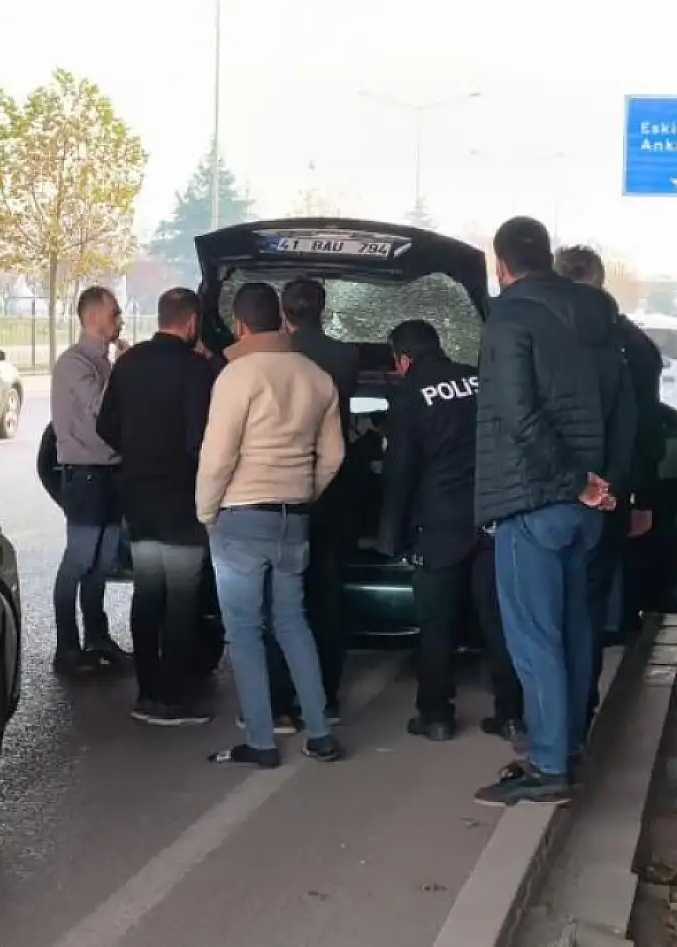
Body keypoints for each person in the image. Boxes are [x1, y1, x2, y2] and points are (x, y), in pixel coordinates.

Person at [472, 217, 635, 807]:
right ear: (547, 255)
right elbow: (625, 408)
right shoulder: (599, 318)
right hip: (588, 505)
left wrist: (571, 480)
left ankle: (547, 765)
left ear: (502, 264)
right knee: (572, 632)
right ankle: (564, 748)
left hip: (534, 498)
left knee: (534, 637)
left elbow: (517, 413)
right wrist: (605, 485)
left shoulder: (510, 318)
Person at [197, 282, 344, 768]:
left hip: (240, 516)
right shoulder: (317, 378)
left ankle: (261, 740)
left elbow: (218, 456)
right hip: (294, 515)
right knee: (292, 622)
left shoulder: (237, 376)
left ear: (239, 324)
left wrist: (206, 512)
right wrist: (305, 491)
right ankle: (320, 733)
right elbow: (334, 455)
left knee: (244, 630)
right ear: (280, 319)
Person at [376, 319, 512, 742]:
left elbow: (400, 473)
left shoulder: (409, 397)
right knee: (498, 622)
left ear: (402, 358)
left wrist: (390, 536)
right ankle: (512, 714)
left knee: (436, 625)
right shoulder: (478, 381)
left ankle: (436, 715)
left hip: (439, 528)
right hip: (491, 519)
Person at [553, 245, 665, 725]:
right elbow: (648, 431)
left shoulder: (545, 338)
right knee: (590, 606)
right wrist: (643, 496)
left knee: (546, 612)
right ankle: (579, 708)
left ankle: (546, 718)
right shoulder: (636, 347)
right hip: (611, 492)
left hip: (553, 491)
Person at [99, 288, 218, 725]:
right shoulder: (197, 369)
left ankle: (147, 692)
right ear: (191, 323)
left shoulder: (128, 363)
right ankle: (174, 696)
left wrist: (136, 452)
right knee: (183, 599)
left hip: (138, 494)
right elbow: (199, 438)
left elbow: (104, 424)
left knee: (147, 592)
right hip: (182, 496)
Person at [272, 276, 359, 728]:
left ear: (284, 314)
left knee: (284, 599)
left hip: (282, 485)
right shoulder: (346, 357)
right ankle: (325, 696)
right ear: (323, 311)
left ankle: (282, 700)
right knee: (327, 596)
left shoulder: (276, 358)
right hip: (331, 489)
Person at [46, 286, 131, 676]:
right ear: (93, 317)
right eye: (114, 313)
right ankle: (67, 647)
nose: (120, 320)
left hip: (112, 473)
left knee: (103, 563)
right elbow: (104, 407)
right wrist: (128, 370)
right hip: (86, 475)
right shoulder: (75, 363)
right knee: (78, 562)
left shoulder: (107, 363)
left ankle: (98, 638)